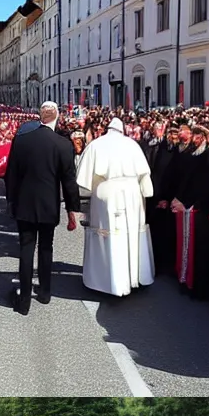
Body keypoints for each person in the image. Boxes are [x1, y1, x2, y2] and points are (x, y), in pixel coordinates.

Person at [1, 102, 80, 316]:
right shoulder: (63, 145)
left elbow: (11, 175)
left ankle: (24, 300)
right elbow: (69, 182)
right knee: (46, 248)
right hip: (48, 205)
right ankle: (45, 293)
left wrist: (11, 201)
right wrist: (72, 211)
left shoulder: (22, 141)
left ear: (39, 116)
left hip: (24, 204)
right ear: (57, 117)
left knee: (26, 249)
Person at [74, 117, 155, 296]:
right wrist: (147, 194)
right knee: (131, 234)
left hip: (107, 192)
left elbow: (83, 178)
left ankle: (108, 280)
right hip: (133, 193)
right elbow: (145, 176)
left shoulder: (96, 145)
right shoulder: (132, 145)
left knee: (109, 236)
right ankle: (134, 277)